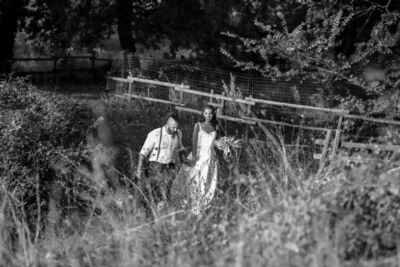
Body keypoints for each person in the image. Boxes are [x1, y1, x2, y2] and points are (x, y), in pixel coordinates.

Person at [171, 105, 219, 215]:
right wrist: (194, 157)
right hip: (198, 155)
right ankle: (184, 204)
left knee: (206, 180)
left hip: (210, 156)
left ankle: (200, 207)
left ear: (213, 114)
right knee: (191, 178)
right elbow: (194, 141)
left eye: (210, 114)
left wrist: (223, 145)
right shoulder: (198, 125)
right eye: (206, 113)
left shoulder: (215, 126)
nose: (208, 116)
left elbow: (214, 141)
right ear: (203, 114)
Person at [136, 113, 185, 214]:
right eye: (173, 127)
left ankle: (160, 216)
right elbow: (142, 153)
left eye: (177, 127)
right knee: (151, 192)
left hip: (170, 167)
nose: (175, 129)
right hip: (155, 167)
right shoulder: (155, 134)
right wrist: (139, 168)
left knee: (166, 194)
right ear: (167, 122)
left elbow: (180, 148)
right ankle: (146, 214)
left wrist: (186, 160)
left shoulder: (178, 133)